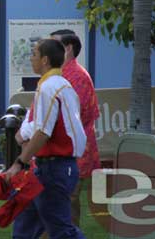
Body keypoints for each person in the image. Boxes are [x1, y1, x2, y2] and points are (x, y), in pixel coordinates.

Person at [6, 39, 87, 239]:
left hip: (54, 169)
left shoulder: (49, 88)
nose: (31, 58)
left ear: (45, 60)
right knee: (24, 224)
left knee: (61, 230)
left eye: (34, 54)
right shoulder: (63, 86)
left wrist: (18, 163)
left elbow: (43, 132)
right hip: (50, 168)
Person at [50, 29, 101, 227]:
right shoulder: (63, 74)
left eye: (54, 45)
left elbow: (73, 117)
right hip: (64, 153)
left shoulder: (77, 76)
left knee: (66, 209)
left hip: (72, 154)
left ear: (68, 48)